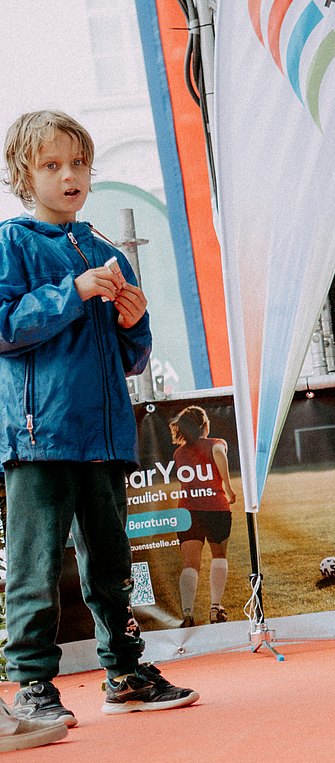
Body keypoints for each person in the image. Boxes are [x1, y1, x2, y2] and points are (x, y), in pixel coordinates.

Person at [0, 110, 198, 727]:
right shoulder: (12, 243)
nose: (69, 176)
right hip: (40, 437)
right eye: (52, 165)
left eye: (78, 164)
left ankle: (126, 670)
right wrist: (74, 292)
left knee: (112, 562)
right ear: (23, 175)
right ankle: (31, 685)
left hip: (105, 437)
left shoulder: (109, 251)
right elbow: (5, 327)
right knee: (35, 566)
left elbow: (132, 359)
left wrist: (133, 322)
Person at [169, 405, 237, 627]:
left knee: (190, 564)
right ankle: (215, 608)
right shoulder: (217, 443)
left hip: (187, 510)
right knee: (219, 555)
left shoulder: (178, 453)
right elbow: (218, 453)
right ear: (205, 425)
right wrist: (227, 485)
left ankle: (187, 614)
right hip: (215, 507)